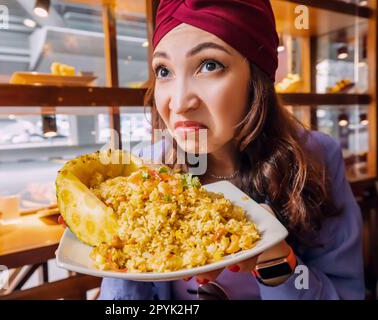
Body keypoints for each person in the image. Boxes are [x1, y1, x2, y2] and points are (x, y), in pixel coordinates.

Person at [62, 0, 364, 300]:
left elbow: (348, 293)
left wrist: (276, 264)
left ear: (258, 78)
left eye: (209, 65)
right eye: (164, 71)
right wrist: (114, 245)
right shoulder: (146, 170)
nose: (178, 103)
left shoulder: (316, 157)